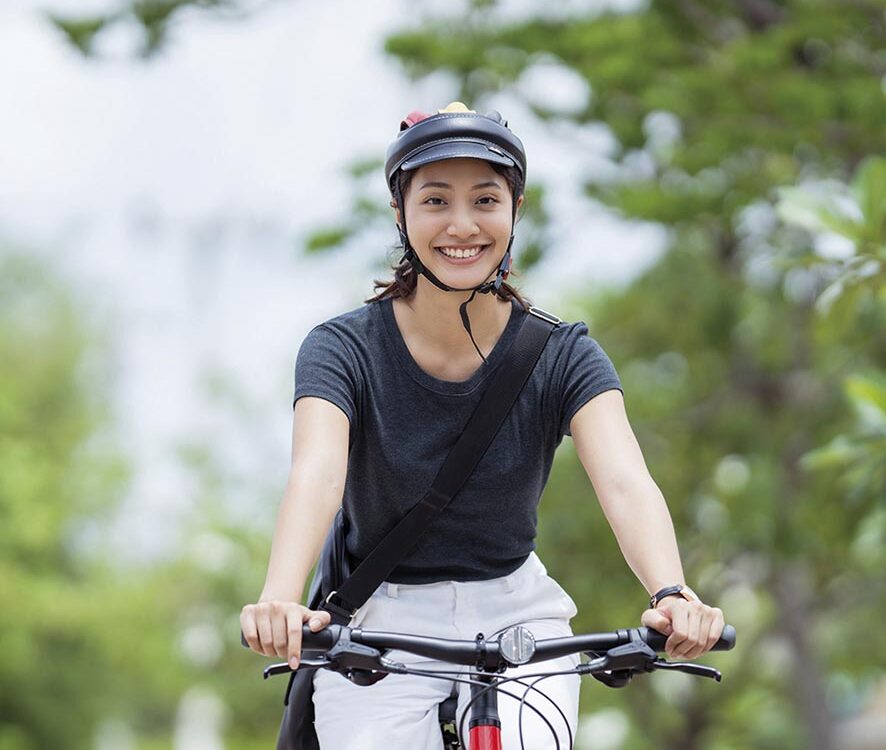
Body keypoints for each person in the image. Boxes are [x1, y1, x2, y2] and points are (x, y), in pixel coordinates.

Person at [241, 102, 726, 748]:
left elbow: (624, 481)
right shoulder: (342, 349)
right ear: (400, 212)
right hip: (381, 621)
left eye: (486, 200)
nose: (462, 225)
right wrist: (280, 599)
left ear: (516, 209)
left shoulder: (563, 354)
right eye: (436, 200)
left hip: (518, 614)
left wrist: (673, 591)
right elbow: (318, 473)